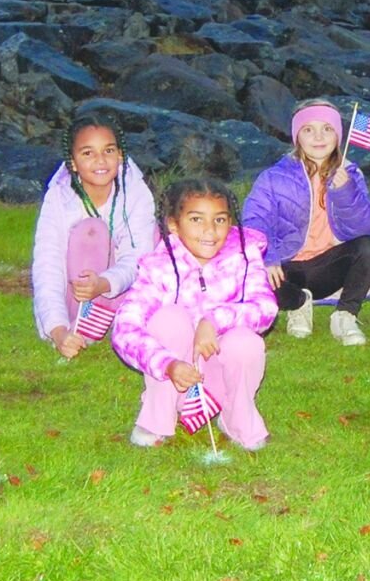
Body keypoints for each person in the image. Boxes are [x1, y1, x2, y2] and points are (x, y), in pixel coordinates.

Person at [111, 179, 278, 451]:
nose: (210, 231)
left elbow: (265, 307)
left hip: (217, 377)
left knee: (246, 342)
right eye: (196, 219)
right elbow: (125, 329)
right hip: (176, 378)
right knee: (169, 318)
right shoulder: (159, 267)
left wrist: (212, 321)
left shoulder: (244, 257)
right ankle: (157, 418)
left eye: (220, 220)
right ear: (174, 225)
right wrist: (166, 363)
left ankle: (236, 417)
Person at [240, 99, 370, 347]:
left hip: (329, 267)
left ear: (338, 135)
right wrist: (268, 256)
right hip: (286, 268)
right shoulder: (273, 177)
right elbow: (254, 220)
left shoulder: (349, 175)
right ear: (297, 137)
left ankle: (345, 315)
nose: (318, 136)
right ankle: (298, 303)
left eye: (327, 128)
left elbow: (368, 226)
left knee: (369, 246)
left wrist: (346, 192)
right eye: (308, 129)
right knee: (250, 273)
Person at [31, 117, 158, 358]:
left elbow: (139, 256)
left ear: (120, 155)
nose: (100, 161)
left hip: (117, 289)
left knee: (157, 236)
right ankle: (81, 325)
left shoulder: (136, 190)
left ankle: (126, 321)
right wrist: (57, 330)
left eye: (108, 151)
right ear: (73, 162)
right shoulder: (58, 197)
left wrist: (104, 283)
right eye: (88, 153)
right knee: (91, 230)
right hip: (77, 297)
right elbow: (47, 264)